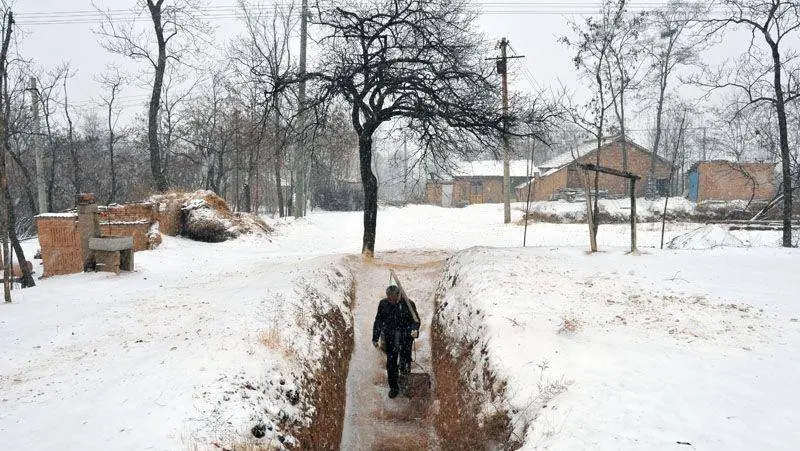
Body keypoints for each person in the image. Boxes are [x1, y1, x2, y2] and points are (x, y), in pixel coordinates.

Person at [372, 284, 420, 398]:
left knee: (405, 361)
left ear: (399, 295)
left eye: (393, 299)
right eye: (389, 298)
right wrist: (375, 337)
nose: (391, 301)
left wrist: (414, 329)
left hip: (405, 338)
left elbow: (416, 320)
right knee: (391, 364)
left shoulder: (409, 304)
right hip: (390, 338)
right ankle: (394, 387)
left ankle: (405, 383)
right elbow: (378, 321)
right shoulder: (383, 304)